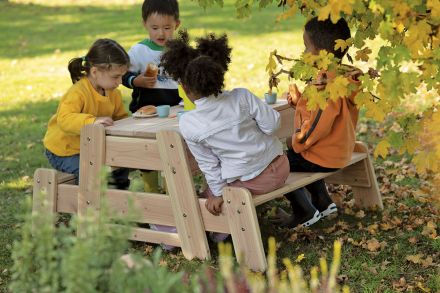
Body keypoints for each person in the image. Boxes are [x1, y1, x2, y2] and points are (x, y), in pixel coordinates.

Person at [161, 30, 290, 220]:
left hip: (255, 182)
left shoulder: (189, 122)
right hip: (282, 167)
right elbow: (272, 125)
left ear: (185, 88)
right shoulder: (241, 96)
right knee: (217, 189)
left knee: (209, 199)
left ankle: (221, 236)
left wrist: (218, 194)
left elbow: (209, 165)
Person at [272, 17, 362, 228]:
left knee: (278, 166)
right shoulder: (341, 79)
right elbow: (325, 114)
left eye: (306, 47)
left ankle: (304, 211)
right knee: (301, 156)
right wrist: (301, 101)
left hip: (326, 155)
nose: (303, 53)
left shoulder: (326, 87)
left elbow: (316, 127)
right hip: (338, 149)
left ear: (323, 53)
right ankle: (323, 202)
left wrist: (297, 141)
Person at [43, 39, 131, 188]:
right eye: (116, 76)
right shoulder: (78, 92)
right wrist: (92, 122)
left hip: (92, 148)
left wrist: (133, 120)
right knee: (90, 170)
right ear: (95, 72)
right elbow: (64, 119)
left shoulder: (113, 93)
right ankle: (84, 206)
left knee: (120, 164)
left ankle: (119, 200)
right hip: (65, 150)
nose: (120, 81)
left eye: (122, 76)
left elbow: (119, 118)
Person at [122, 0, 181, 194]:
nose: (161, 33)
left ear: (177, 25)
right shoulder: (139, 51)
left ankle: (170, 190)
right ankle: (151, 190)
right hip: (145, 111)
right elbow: (123, 74)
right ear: (145, 25)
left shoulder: (179, 50)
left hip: (174, 109)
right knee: (148, 152)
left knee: (172, 151)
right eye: (154, 28)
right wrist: (136, 81)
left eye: (167, 27)